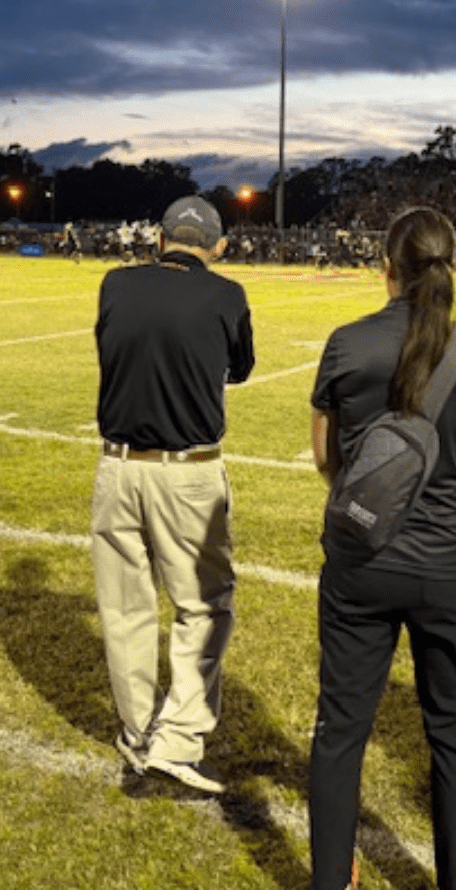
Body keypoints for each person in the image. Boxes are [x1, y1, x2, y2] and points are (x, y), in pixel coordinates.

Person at [308, 207, 456, 890]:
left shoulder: (345, 343)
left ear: (385, 267)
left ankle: (332, 878)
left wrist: (375, 513)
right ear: (454, 263)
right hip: (453, 568)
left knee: (341, 730)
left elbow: (324, 458)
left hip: (361, 564)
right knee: (455, 734)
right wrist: (450, 514)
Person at [91, 195, 254, 794]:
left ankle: (137, 734)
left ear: (160, 240)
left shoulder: (115, 284)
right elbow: (239, 368)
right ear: (217, 247)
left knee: (125, 609)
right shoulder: (227, 295)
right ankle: (178, 740)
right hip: (187, 473)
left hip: (116, 468)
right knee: (203, 607)